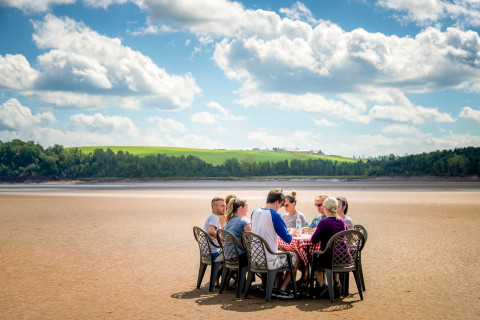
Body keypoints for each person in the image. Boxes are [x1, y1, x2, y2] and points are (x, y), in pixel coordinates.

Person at [251, 188, 298, 299]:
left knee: (281, 253)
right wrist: (292, 231)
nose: (280, 208)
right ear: (277, 202)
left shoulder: (255, 211)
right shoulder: (274, 215)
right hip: (269, 259)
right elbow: (287, 238)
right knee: (295, 257)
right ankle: (282, 289)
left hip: (254, 258)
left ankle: (276, 286)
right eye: (281, 205)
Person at [310, 196, 348, 299]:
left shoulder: (324, 222)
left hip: (329, 258)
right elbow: (346, 234)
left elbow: (314, 240)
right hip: (344, 257)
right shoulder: (342, 221)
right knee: (330, 254)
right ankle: (336, 283)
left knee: (313, 260)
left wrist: (318, 232)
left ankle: (323, 287)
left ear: (326, 208)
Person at [223, 198, 251, 288]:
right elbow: (253, 238)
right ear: (240, 208)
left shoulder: (228, 222)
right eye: (246, 207)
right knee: (263, 257)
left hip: (228, 257)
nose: (247, 210)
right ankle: (267, 286)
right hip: (239, 258)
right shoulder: (243, 221)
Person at [203, 197, 226, 262]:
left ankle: (219, 272)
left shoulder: (211, 216)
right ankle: (219, 272)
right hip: (214, 253)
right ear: (214, 208)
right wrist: (222, 240)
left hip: (207, 252)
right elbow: (211, 231)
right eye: (222, 206)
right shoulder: (214, 217)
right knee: (235, 256)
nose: (225, 208)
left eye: (225, 206)